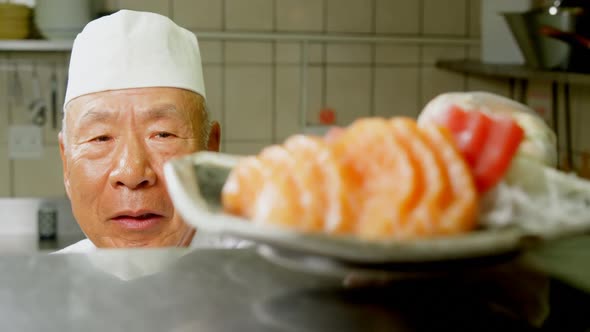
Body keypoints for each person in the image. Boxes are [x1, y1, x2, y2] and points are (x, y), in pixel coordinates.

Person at [56, 10, 221, 253]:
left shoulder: (270, 278)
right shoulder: (40, 285)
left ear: (210, 153)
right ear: (66, 163)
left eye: (163, 134)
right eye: (101, 137)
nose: (132, 173)